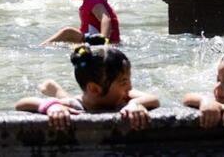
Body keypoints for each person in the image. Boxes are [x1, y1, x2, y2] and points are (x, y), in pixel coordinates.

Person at [15, 45, 158, 131]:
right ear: (95, 89)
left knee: (66, 98)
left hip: (88, 97)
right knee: (66, 100)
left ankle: (56, 90)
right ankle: (53, 89)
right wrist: (52, 106)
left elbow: (154, 99)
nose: (130, 87)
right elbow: (21, 104)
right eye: (124, 81)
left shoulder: (126, 98)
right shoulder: (73, 106)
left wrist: (135, 104)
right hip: (78, 101)